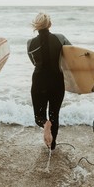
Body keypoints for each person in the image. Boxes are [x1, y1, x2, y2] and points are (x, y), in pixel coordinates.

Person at [27, 12, 71, 150]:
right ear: (50, 24)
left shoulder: (30, 43)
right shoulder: (60, 38)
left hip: (39, 80)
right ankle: (52, 146)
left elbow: (34, 62)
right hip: (56, 80)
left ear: (36, 25)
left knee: (39, 116)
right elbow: (73, 56)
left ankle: (44, 124)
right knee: (54, 115)